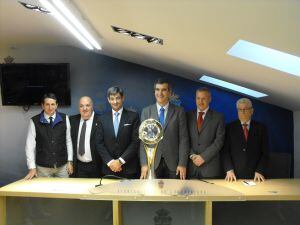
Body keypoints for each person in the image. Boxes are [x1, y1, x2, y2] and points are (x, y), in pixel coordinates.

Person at [140, 78, 189, 179]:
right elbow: (143, 141)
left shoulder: (179, 111)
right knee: (153, 193)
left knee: (174, 193)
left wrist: (182, 163)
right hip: (152, 164)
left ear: (169, 92)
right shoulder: (146, 111)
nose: (160, 93)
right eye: (157, 90)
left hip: (174, 165)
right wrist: (144, 164)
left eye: (163, 90)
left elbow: (184, 139)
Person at [24, 93, 73, 179]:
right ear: (42, 106)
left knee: (64, 191)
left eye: (53, 104)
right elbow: (29, 146)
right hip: (43, 169)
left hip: (62, 167)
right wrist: (32, 167)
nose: (50, 107)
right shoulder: (34, 121)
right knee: (44, 192)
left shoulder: (65, 118)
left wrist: (70, 161)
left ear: (56, 105)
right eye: (47, 104)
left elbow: (68, 141)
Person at [97, 86, 140, 179]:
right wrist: (111, 162)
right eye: (112, 99)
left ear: (123, 98)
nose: (115, 102)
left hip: (128, 168)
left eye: (117, 98)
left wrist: (120, 161)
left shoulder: (133, 116)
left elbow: (135, 142)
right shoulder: (102, 119)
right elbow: (99, 144)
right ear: (108, 100)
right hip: (109, 169)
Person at [222, 98, 268, 182]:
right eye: (240, 109)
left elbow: (265, 152)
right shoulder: (229, 128)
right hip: (233, 176)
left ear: (252, 111)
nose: (242, 112)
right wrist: (229, 170)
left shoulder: (261, 128)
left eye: (245, 109)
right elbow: (225, 152)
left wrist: (259, 170)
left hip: (256, 176)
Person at [186, 87, 225, 179]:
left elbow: (219, 141)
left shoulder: (218, 117)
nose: (200, 101)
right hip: (191, 168)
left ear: (210, 99)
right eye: (198, 98)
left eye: (203, 98)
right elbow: (184, 139)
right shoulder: (187, 116)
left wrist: (203, 157)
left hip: (210, 169)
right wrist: (192, 156)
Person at [69, 96, 102, 178]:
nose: (84, 108)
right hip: (78, 166)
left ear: (92, 106)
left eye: (87, 105)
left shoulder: (101, 120)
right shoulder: (72, 120)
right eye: (81, 106)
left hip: (97, 166)